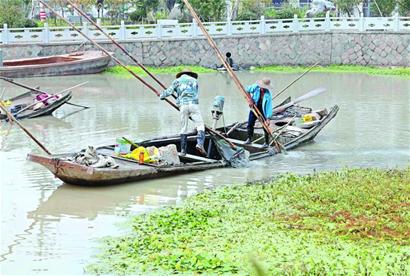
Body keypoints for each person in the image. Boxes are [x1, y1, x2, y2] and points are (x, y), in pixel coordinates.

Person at [160, 68, 207, 156]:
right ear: (190, 74)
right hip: (194, 105)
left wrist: (161, 96)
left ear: (182, 74)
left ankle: (183, 151)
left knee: (183, 127)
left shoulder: (176, 81)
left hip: (183, 106)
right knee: (200, 125)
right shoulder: (194, 81)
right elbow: (195, 93)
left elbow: (168, 92)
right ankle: (200, 144)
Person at [244, 77, 274, 147]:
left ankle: (266, 143)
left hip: (263, 110)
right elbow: (247, 90)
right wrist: (250, 100)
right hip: (254, 107)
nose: (262, 88)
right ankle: (249, 139)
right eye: (262, 87)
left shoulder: (268, 95)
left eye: (264, 87)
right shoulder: (255, 87)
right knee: (250, 123)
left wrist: (268, 118)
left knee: (265, 126)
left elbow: (269, 107)